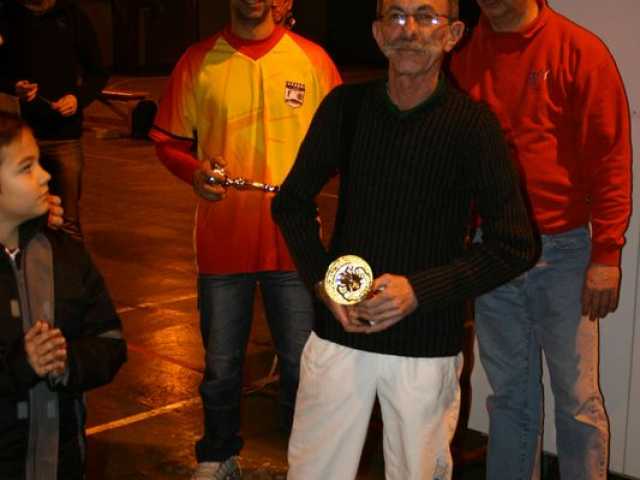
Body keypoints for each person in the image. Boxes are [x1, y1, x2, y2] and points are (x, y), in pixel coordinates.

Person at [271, 0, 539, 477]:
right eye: (395, 16)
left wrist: (419, 291)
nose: (409, 30)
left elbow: (515, 244)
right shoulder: (346, 109)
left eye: (426, 16)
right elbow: (290, 203)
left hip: (425, 344)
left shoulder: (473, 127)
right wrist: (323, 283)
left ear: (453, 34)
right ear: (378, 33)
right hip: (340, 336)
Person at [150, 0, 341, 477]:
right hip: (223, 240)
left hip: (294, 244)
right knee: (221, 367)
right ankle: (218, 456)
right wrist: (194, 172)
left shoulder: (313, 60)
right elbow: (168, 141)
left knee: (302, 365)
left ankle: (305, 461)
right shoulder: (197, 61)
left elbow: (343, 140)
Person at [448, 1, 632, 478]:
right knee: (509, 398)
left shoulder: (578, 51)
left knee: (577, 400)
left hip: (565, 252)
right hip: (492, 252)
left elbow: (610, 159)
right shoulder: (462, 54)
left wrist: (606, 254)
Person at [0, 112, 127, 480]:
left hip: (61, 462)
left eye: (39, 162)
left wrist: (67, 362)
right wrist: (20, 365)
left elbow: (110, 341)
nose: (44, 176)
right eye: (26, 168)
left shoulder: (67, 255)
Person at [0, 0, 109, 241]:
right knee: (25, 220)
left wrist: (77, 99)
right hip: (23, 137)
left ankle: (71, 263)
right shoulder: (7, 14)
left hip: (65, 136)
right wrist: (13, 87)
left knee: (68, 221)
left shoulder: (71, 15)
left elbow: (98, 72)